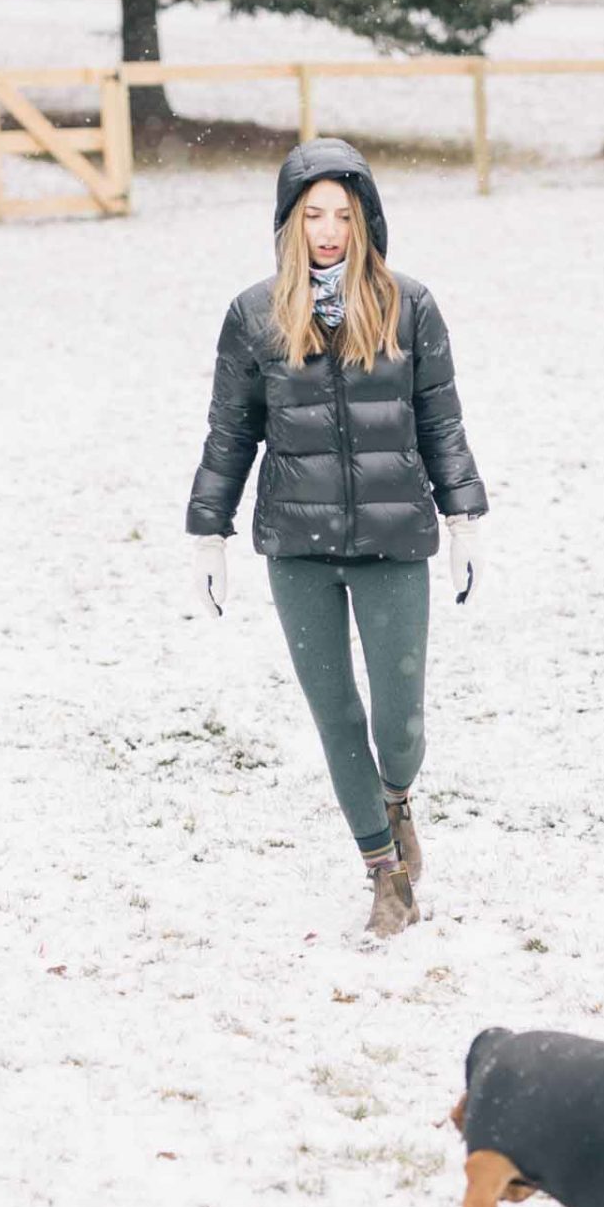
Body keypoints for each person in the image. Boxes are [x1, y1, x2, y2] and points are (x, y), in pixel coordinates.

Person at [186, 138, 488, 939]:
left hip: (393, 542)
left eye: (342, 215)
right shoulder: (254, 314)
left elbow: (440, 422)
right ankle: (384, 874)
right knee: (335, 716)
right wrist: (207, 533)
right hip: (298, 545)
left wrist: (463, 518)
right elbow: (230, 432)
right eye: (313, 214)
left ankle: (397, 799)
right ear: (290, 222)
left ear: (365, 219)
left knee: (399, 722)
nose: (328, 230)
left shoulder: (408, 305)